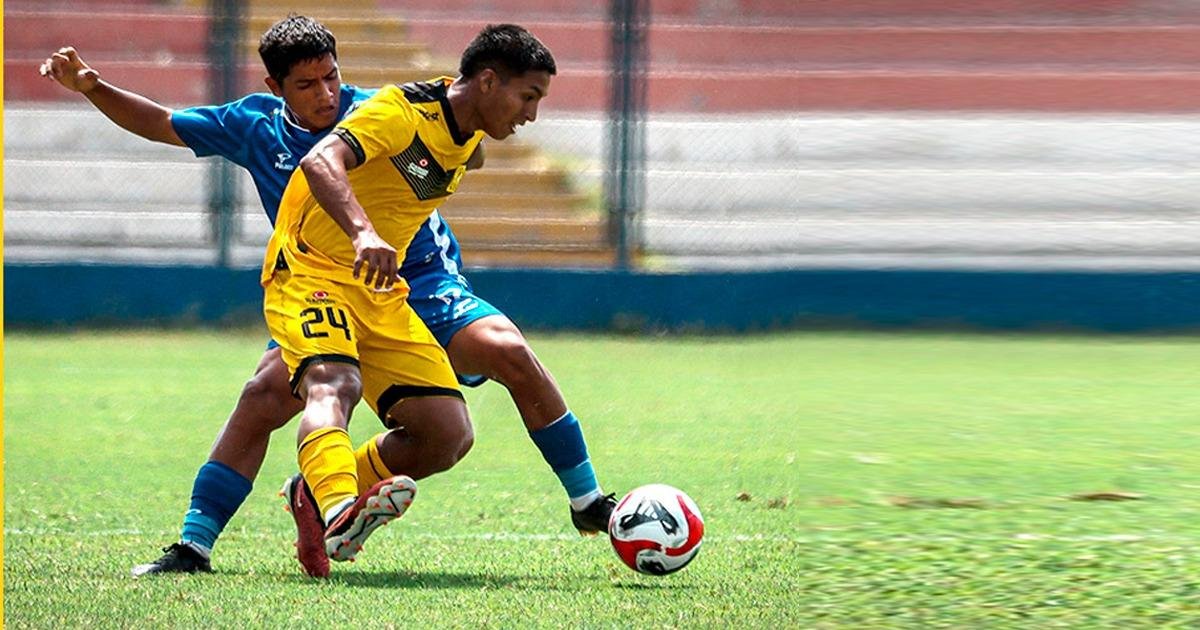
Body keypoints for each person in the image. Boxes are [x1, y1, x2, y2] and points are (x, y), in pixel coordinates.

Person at [39, 16, 615, 579]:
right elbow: (169, 123)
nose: (326, 94)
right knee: (286, 393)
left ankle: (577, 497)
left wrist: (467, 145)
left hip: (409, 282)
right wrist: (92, 86)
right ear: (277, 88)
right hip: (316, 272)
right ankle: (216, 539)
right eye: (308, 85)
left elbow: (453, 140)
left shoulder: (391, 112)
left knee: (453, 427)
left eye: (332, 78)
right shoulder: (267, 124)